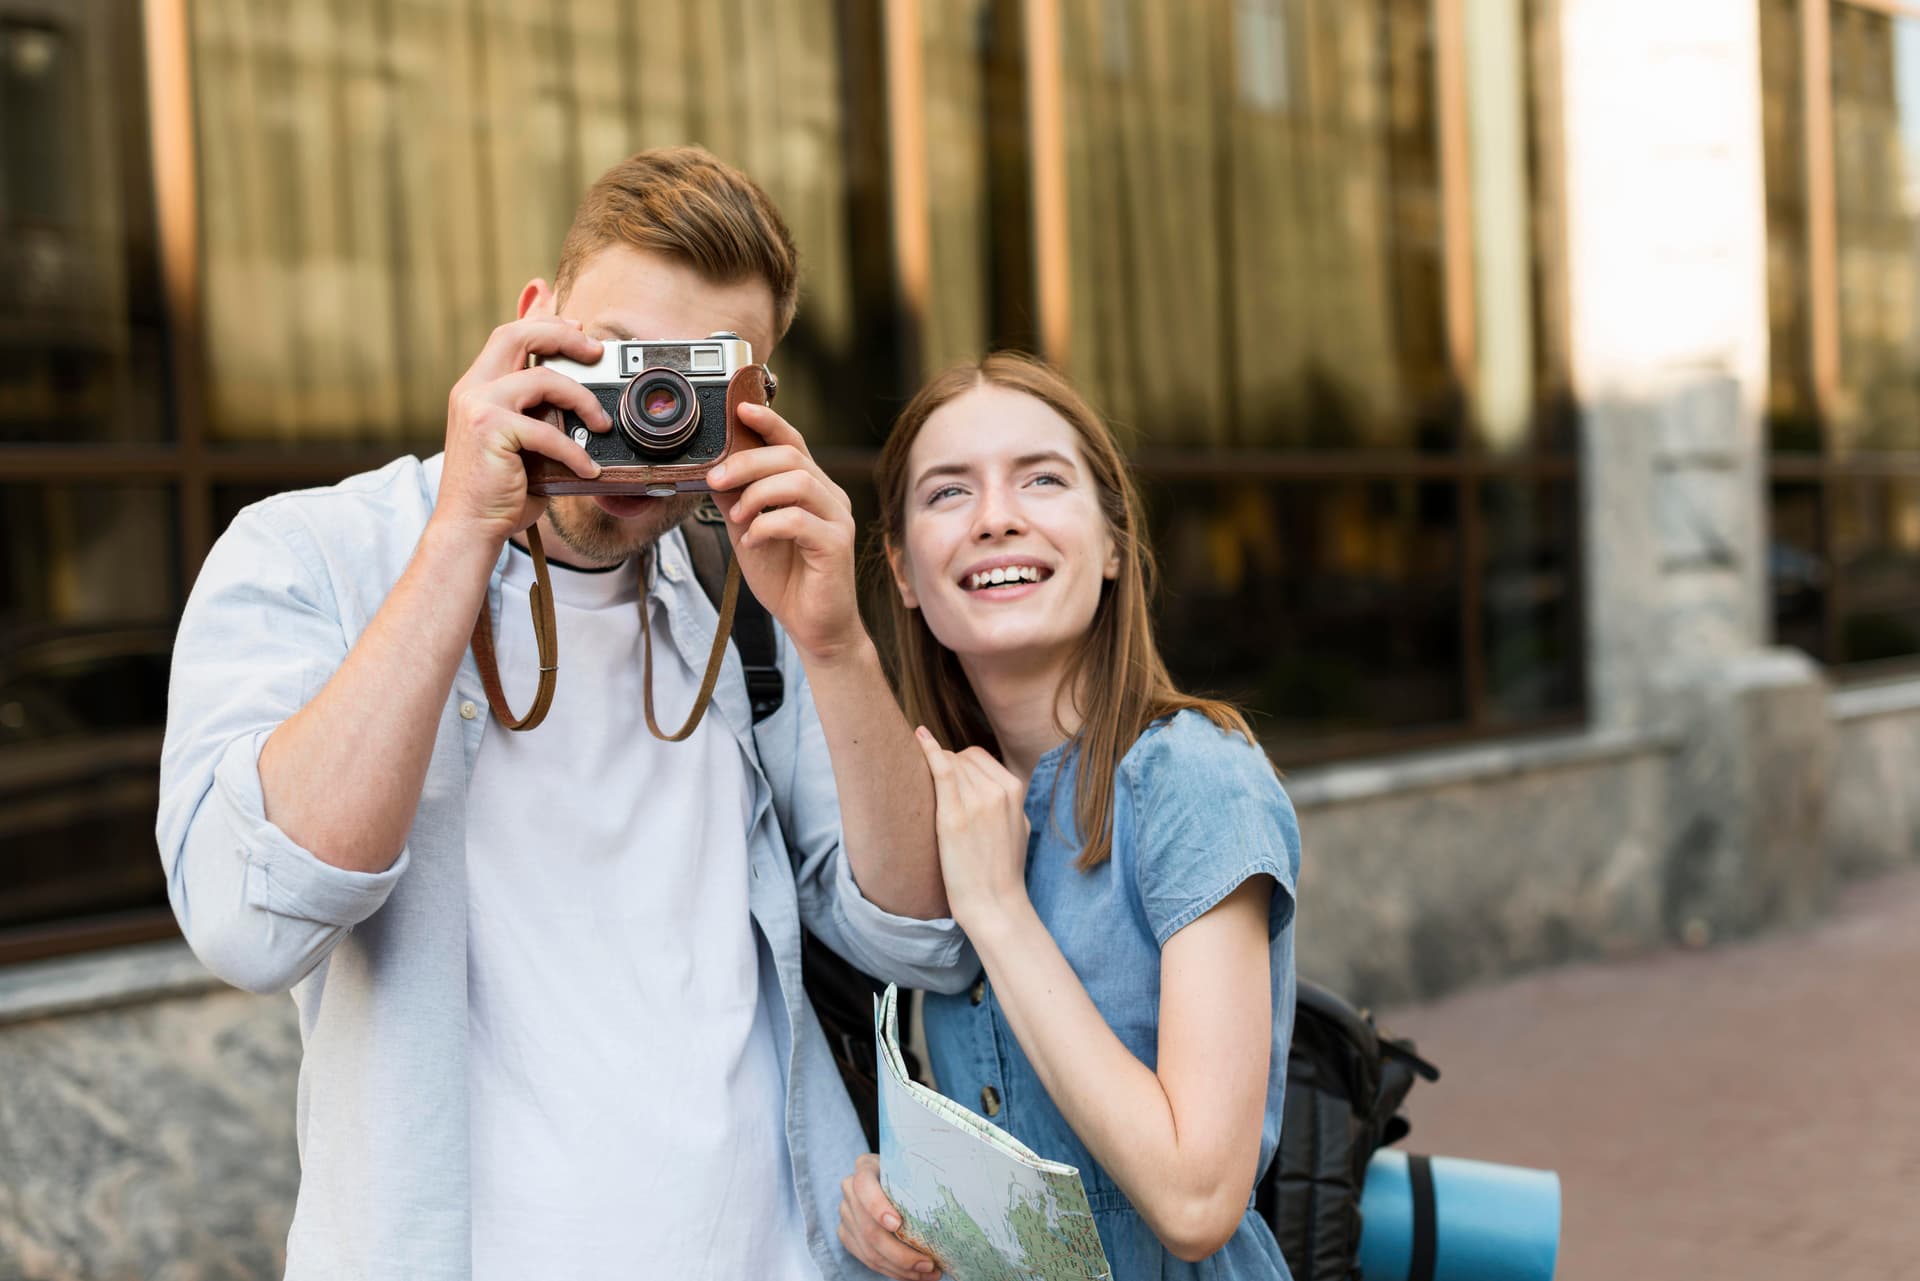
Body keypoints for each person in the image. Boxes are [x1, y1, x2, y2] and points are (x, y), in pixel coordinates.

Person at [157, 146, 974, 1281]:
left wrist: (835, 642)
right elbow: (250, 923)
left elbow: (917, 936)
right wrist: (462, 534)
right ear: (537, 322)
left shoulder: (745, 604)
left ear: (753, 401)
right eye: (626, 360)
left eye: (694, 381)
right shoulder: (313, 557)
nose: (644, 413)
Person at [835, 353, 1301, 1279]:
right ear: (903, 573)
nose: (997, 516)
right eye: (947, 493)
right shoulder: (937, 806)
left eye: (1042, 478)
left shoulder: (1196, 781)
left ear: (1115, 541)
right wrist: (896, 1198)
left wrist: (999, 910)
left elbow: (1197, 1198)